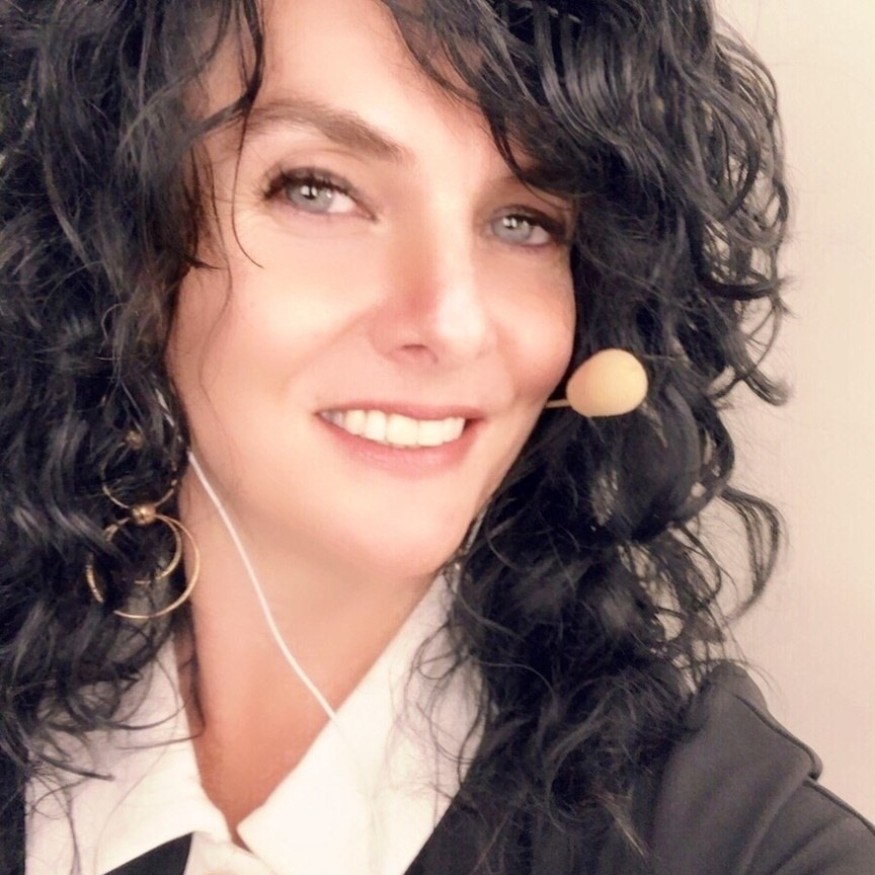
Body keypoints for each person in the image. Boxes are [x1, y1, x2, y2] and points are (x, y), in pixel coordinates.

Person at [1, 0, 873, 873]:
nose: (452, 324)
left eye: (523, 220)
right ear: (115, 239)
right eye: (318, 189)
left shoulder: (744, 846)